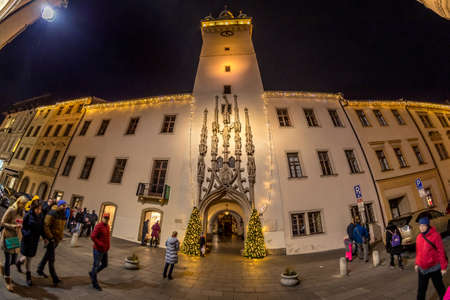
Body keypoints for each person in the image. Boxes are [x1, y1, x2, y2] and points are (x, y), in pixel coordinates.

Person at [415, 216, 447, 300]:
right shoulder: (418, 237)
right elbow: (418, 252)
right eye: (420, 225)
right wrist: (417, 263)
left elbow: (441, 252)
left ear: (427, 226)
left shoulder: (435, 236)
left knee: (440, 288)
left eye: (423, 225)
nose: (421, 228)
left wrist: (443, 267)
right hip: (422, 269)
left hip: (434, 268)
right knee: (421, 291)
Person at [0, 196, 28, 292]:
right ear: (18, 202)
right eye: (23, 204)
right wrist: (13, 226)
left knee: (13, 261)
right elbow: (2, 223)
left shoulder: (22, 212)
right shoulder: (11, 210)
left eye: (25, 205)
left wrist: (21, 226)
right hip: (8, 236)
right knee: (8, 260)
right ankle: (8, 281)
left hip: (16, 238)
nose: (24, 206)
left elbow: (21, 222)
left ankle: (2, 266)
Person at [37, 200, 67, 287]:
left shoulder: (63, 214)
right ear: (59, 205)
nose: (65, 207)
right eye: (63, 205)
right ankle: (54, 278)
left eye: (65, 206)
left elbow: (61, 227)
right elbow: (46, 225)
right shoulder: (53, 212)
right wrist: (50, 237)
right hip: (51, 239)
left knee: (47, 255)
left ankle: (40, 269)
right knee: (51, 258)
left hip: (57, 239)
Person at [19, 200, 43, 286]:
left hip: (35, 240)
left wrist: (42, 236)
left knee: (28, 256)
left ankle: (19, 263)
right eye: (37, 209)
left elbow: (41, 227)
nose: (39, 211)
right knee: (29, 259)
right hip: (27, 240)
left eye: (40, 209)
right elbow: (23, 228)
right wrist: (26, 234)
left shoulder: (40, 216)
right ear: (33, 208)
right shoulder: (27, 215)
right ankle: (28, 277)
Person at [89, 212, 110, 291]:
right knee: (96, 265)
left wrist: (108, 246)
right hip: (98, 249)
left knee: (105, 264)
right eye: (105, 217)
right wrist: (100, 244)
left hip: (105, 250)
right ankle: (94, 283)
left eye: (107, 218)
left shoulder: (107, 226)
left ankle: (92, 273)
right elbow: (93, 236)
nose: (106, 219)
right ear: (102, 218)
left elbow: (107, 237)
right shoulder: (99, 226)